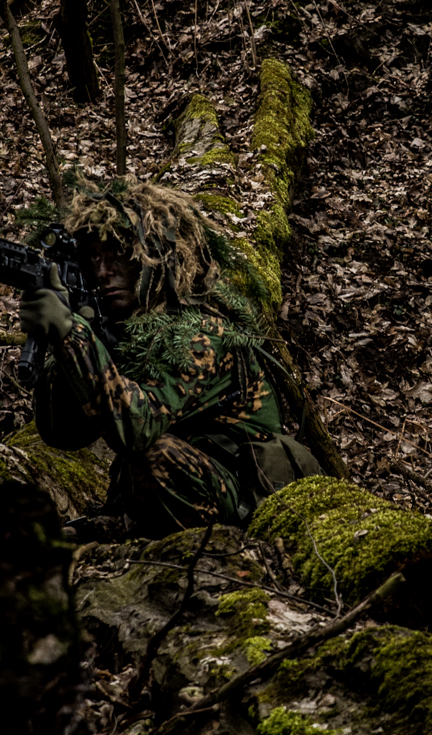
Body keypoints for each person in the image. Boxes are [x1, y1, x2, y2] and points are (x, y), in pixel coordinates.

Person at [16, 179, 300, 536]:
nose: (103, 272)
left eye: (119, 253)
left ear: (155, 258)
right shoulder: (128, 330)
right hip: (181, 494)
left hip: (244, 504)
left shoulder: (198, 333)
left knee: (155, 454)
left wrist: (73, 337)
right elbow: (63, 434)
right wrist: (66, 343)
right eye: (93, 257)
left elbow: (137, 430)